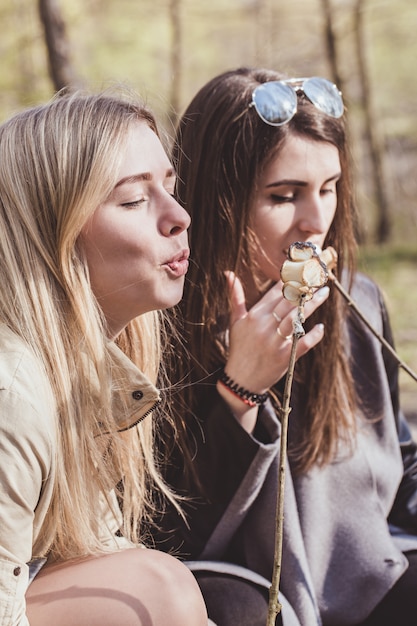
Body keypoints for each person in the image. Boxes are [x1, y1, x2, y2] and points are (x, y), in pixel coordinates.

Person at [148, 67, 417, 626]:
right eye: (283, 196)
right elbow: (165, 536)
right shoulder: (159, 332)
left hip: (368, 582)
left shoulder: (358, 304)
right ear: (219, 199)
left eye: (329, 187)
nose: (316, 221)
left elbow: (399, 456)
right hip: (236, 602)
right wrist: (238, 391)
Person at [0, 88, 209, 625]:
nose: (179, 216)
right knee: (157, 592)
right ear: (54, 233)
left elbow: (93, 551)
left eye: (170, 187)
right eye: (134, 200)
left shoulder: (88, 367)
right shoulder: (12, 392)